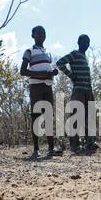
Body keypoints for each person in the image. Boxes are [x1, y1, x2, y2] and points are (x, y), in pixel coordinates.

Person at [20, 26, 62, 160]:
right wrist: (43, 75)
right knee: (36, 117)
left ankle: (51, 148)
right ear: (33, 35)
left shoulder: (47, 52)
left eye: (43, 33)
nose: (41, 35)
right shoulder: (29, 51)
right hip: (36, 87)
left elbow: (48, 71)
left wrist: (52, 74)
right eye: (38, 33)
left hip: (47, 87)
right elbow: (23, 71)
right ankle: (36, 150)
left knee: (49, 116)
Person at [56, 35, 98, 154]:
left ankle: (89, 143)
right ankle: (74, 146)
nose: (86, 44)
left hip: (88, 90)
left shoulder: (84, 56)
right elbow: (60, 63)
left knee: (89, 117)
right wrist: (71, 75)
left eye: (88, 42)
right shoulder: (74, 53)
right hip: (78, 90)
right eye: (84, 42)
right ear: (79, 42)